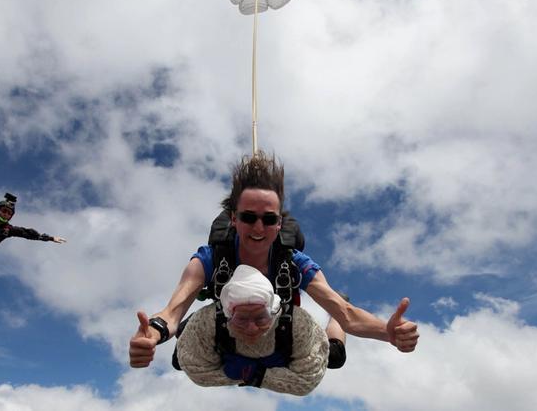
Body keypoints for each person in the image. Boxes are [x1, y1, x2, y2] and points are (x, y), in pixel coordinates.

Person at [129, 151, 418, 370]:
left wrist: (387, 333)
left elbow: (347, 313)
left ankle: (329, 330)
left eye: (268, 220)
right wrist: (153, 334)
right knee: (181, 356)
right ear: (233, 218)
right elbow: (172, 312)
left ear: (279, 223)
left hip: (276, 323)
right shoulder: (209, 259)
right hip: (233, 321)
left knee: (334, 359)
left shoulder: (293, 263)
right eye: (248, 217)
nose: (258, 228)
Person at [175, 264, 328, 395]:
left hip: (285, 345)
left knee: (335, 356)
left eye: (260, 318)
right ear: (228, 316)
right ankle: (185, 325)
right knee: (179, 360)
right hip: (211, 336)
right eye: (241, 319)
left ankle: (335, 321)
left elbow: (307, 380)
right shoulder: (207, 322)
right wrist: (243, 375)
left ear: (274, 312)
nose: (251, 328)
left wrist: (257, 375)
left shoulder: (298, 324)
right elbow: (197, 371)